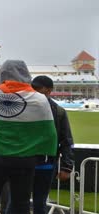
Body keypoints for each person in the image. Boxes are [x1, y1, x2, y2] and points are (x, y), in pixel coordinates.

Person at [0, 60, 57, 214]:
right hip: (24, 160)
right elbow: (48, 134)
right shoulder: (40, 100)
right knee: (21, 203)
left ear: (1, 73)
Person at [30, 75, 74, 214]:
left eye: (38, 89)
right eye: (33, 88)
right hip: (23, 163)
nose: (34, 91)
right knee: (17, 202)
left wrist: (67, 167)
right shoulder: (24, 107)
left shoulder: (59, 112)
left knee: (39, 203)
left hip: (46, 165)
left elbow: (67, 140)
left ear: (49, 90)